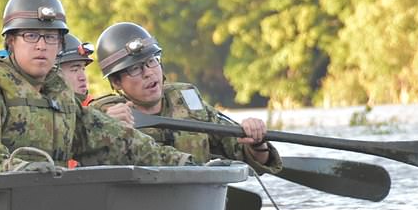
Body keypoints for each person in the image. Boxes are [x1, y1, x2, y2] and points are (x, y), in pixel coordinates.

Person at [0, 0, 195, 178]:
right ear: (11, 43)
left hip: (43, 206)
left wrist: (182, 162)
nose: (41, 45)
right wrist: (27, 171)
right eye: (31, 36)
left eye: (50, 37)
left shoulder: (59, 97)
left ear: (60, 45)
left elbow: (119, 141)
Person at [90, 22, 282, 174]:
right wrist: (105, 127)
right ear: (116, 82)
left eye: (151, 62)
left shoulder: (187, 100)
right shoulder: (104, 113)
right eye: (134, 69)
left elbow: (250, 159)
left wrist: (257, 141)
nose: (148, 73)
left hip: (194, 204)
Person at [56, 33, 94, 105]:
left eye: (83, 69)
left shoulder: (94, 107)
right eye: (74, 70)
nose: (83, 78)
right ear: (54, 74)